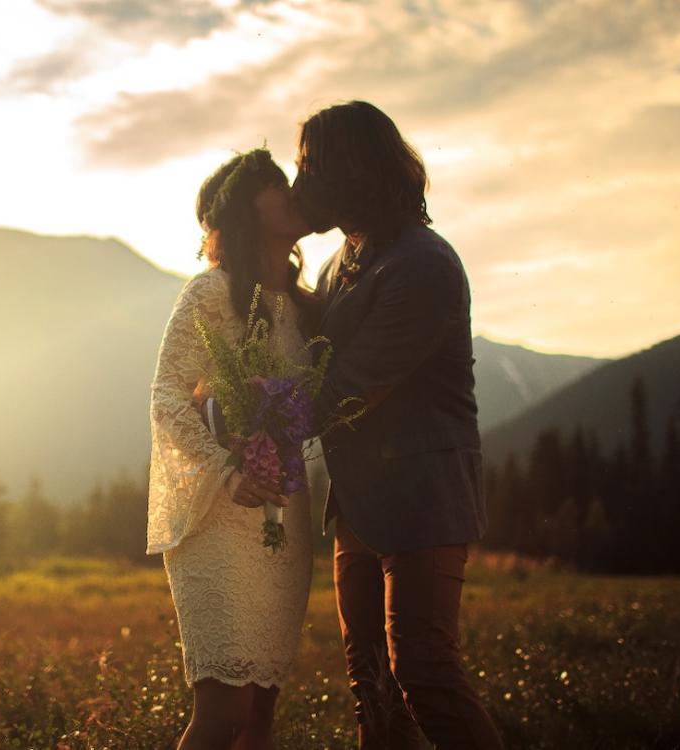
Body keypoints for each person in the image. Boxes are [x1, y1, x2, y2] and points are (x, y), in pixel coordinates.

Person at [292, 100, 504, 749]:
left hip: (421, 501)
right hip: (358, 505)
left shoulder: (423, 265)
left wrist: (237, 416)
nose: (299, 186)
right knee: (372, 686)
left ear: (349, 172)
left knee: (424, 671)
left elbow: (348, 390)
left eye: (309, 169)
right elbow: (322, 335)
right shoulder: (345, 260)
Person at [146, 147, 318, 750]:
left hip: (283, 521)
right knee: (222, 716)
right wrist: (226, 470)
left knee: (261, 720)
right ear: (246, 209)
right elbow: (168, 396)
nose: (292, 190)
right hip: (221, 516)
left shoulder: (305, 306)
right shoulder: (210, 294)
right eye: (275, 183)